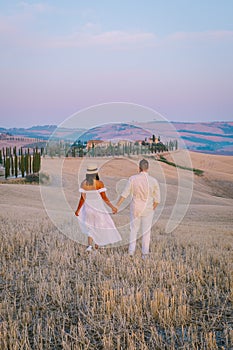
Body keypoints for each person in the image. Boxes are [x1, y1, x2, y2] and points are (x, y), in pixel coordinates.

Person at [116, 159, 160, 259]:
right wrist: (152, 209)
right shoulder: (153, 181)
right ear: (148, 168)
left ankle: (131, 252)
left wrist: (117, 205)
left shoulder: (132, 179)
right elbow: (157, 200)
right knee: (146, 232)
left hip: (135, 207)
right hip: (148, 209)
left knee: (133, 230)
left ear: (139, 168)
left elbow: (125, 194)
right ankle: (145, 254)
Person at [75, 164, 121, 252]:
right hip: (98, 209)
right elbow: (104, 198)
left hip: (88, 209)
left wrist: (78, 210)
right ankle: (98, 244)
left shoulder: (83, 184)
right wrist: (112, 207)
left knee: (90, 227)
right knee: (100, 227)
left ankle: (89, 246)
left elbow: (82, 199)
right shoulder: (99, 183)